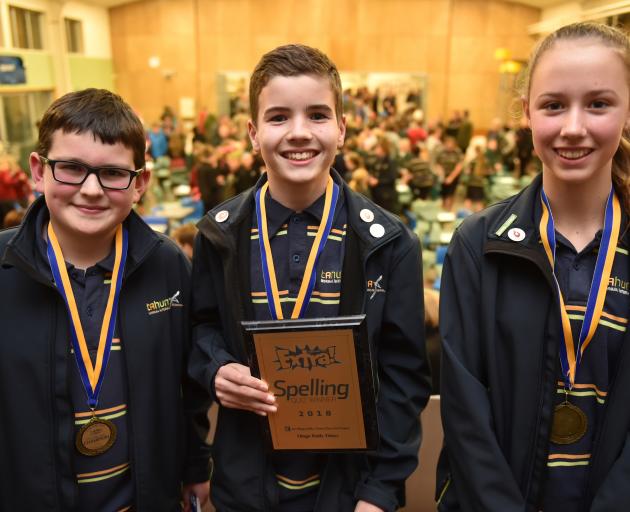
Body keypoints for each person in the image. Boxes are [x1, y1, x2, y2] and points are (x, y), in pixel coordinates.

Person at [190, 44, 431, 512]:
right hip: (244, 486)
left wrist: (380, 492)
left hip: (350, 492)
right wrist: (216, 367)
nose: (299, 133)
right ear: (252, 133)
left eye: (318, 115)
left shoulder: (390, 244)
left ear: (342, 128)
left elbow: (403, 380)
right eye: (278, 117)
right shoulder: (218, 236)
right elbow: (200, 328)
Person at [438, 22, 630, 511]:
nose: (573, 126)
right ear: (526, 113)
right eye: (553, 105)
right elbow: (465, 413)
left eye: (599, 104)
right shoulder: (477, 244)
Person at [0, 88, 211, 511]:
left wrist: (196, 466)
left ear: (140, 184)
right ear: (39, 172)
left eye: (113, 174)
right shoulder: (3, 271)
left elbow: (189, 387)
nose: (92, 190)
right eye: (72, 168)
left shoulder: (167, 265)